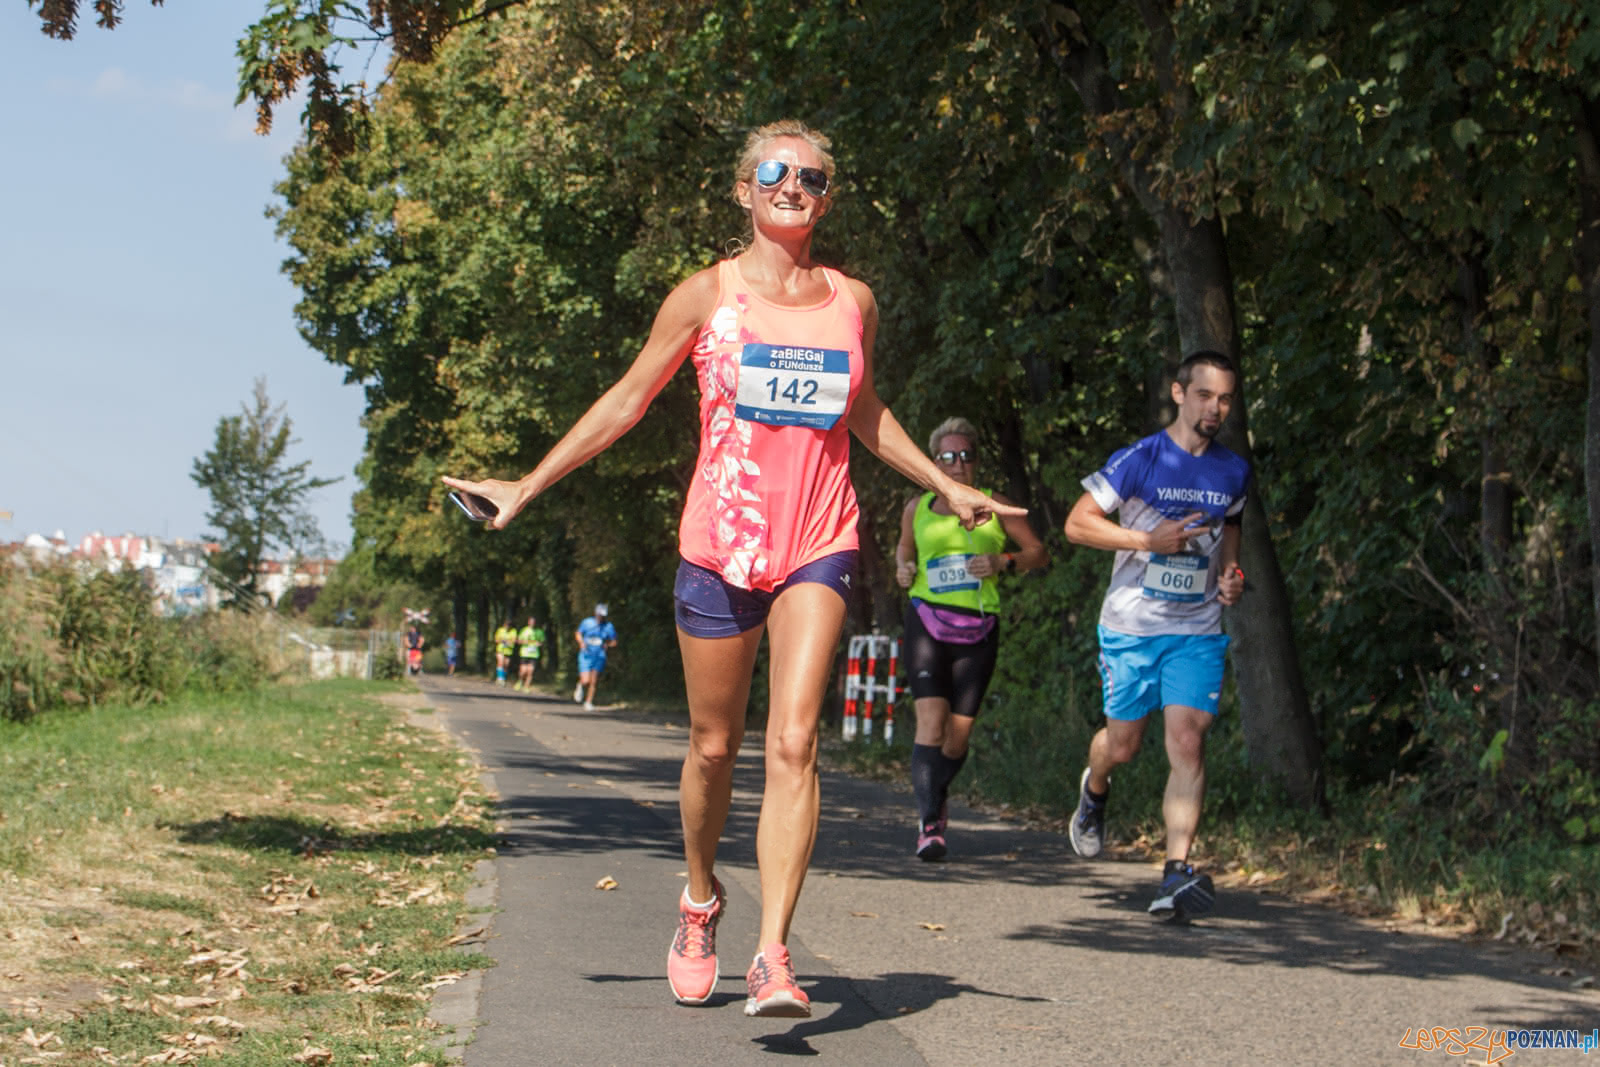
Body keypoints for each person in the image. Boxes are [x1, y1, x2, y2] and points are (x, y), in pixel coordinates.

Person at [443, 118, 1020, 1018]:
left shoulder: (853, 301)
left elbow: (864, 411)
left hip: (818, 541)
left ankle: (772, 953)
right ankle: (700, 898)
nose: (796, 186)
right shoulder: (704, 296)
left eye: (815, 177)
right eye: (777, 171)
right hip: (720, 544)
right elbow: (628, 401)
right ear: (743, 189)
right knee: (714, 747)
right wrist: (526, 483)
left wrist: (948, 483)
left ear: (830, 194)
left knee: (794, 740)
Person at [1062, 350, 1250, 920]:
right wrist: (1148, 542)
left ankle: (1175, 871)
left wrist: (1230, 575)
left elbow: (1231, 527)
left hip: (1195, 628)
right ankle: (1095, 790)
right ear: (1178, 393)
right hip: (1132, 626)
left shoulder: (1232, 469)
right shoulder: (1140, 459)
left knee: (1188, 740)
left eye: (1224, 399)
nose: (1215, 408)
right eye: (1204, 396)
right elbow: (1076, 524)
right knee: (1123, 745)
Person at [894, 417, 1048, 861]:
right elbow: (906, 548)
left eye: (966, 456)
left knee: (957, 736)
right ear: (933, 461)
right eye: (947, 457)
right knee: (930, 722)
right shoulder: (917, 507)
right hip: (925, 619)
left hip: (978, 626)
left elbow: (1038, 552)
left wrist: (1003, 561)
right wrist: (903, 567)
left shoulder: (996, 505)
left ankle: (934, 792)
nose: (958, 464)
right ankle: (930, 825)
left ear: (977, 461)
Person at [573, 605, 616, 710]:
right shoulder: (587, 622)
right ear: (595, 613)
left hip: (599, 655)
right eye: (599, 615)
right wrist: (581, 642)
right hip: (586, 654)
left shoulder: (608, 626)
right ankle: (580, 685)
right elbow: (578, 633)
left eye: (603, 615)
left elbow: (614, 641)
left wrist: (608, 644)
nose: (601, 617)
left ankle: (588, 701)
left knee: (594, 680)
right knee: (586, 680)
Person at [516, 615, 546, 691]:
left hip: (534, 654)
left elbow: (542, 642)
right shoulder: (524, 630)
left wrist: (539, 644)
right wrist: (525, 642)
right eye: (531, 622)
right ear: (528, 622)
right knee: (523, 671)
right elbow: (518, 641)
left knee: (530, 671)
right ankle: (520, 681)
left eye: (534, 622)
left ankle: (526, 686)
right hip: (525, 653)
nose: (533, 623)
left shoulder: (539, 632)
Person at [493, 618, 518, 686]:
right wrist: (503, 641)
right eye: (506, 625)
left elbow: (514, 640)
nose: (507, 626)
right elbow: (496, 640)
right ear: (504, 625)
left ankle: (502, 678)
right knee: (500, 662)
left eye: (509, 625)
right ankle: (500, 678)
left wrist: (508, 642)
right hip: (500, 650)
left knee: (506, 665)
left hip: (509, 650)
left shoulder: (513, 631)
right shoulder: (500, 630)